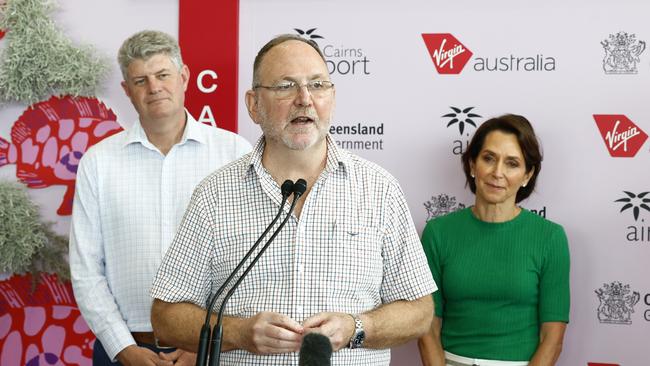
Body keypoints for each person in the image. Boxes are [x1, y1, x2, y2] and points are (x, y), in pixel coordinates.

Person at [149, 34, 437, 365]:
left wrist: (357, 327)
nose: (304, 99)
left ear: (332, 97)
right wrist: (239, 332)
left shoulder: (379, 189)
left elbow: (419, 311)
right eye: (286, 86)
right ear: (254, 104)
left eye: (317, 85)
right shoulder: (215, 194)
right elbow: (166, 317)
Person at [69, 30, 252, 366]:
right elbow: (85, 269)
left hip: (214, 349)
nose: (154, 88)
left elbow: (252, 261)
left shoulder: (235, 154)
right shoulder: (98, 162)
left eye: (163, 75)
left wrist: (207, 342)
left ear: (183, 77)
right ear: (126, 90)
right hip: (123, 352)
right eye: (141, 80)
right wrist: (123, 348)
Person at [417, 114, 570, 366]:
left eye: (512, 163)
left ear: (527, 175)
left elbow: (552, 339)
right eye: (489, 158)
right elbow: (427, 328)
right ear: (472, 165)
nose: (497, 173)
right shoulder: (438, 233)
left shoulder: (550, 238)